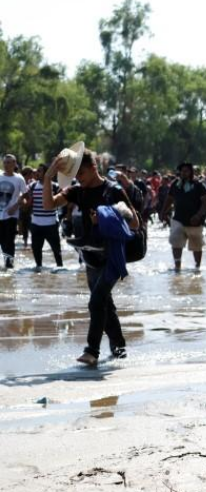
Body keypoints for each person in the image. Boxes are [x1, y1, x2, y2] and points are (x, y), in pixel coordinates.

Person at [42, 148, 140, 366]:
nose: (79, 180)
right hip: (90, 256)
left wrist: (106, 217)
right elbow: (49, 205)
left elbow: (134, 223)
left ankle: (91, 351)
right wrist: (48, 178)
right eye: (76, 177)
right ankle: (119, 346)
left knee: (96, 301)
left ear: (94, 168)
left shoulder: (113, 190)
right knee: (105, 303)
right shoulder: (77, 191)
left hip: (113, 256)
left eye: (82, 175)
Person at [163, 162, 206, 271]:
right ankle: (177, 266)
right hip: (178, 219)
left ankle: (197, 267)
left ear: (191, 172)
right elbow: (169, 198)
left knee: (196, 246)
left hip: (195, 222)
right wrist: (163, 211)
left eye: (186, 171)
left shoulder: (199, 185)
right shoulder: (176, 184)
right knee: (176, 242)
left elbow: (205, 203)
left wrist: (198, 215)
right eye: (182, 171)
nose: (184, 173)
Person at [23, 164, 64, 270]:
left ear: (46, 173)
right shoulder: (32, 186)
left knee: (57, 250)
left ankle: (60, 268)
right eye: (37, 171)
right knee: (36, 249)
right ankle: (38, 269)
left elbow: (62, 202)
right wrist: (22, 201)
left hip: (51, 224)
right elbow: (25, 200)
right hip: (36, 224)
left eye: (40, 171)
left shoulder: (55, 186)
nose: (37, 173)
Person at [0, 154, 26, 269]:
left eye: (9, 162)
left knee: (9, 240)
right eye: (5, 162)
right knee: (1, 240)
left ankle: (9, 265)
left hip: (11, 215)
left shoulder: (19, 178)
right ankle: (6, 261)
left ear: (15, 164)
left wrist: (16, 206)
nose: (6, 165)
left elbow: (25, 196)